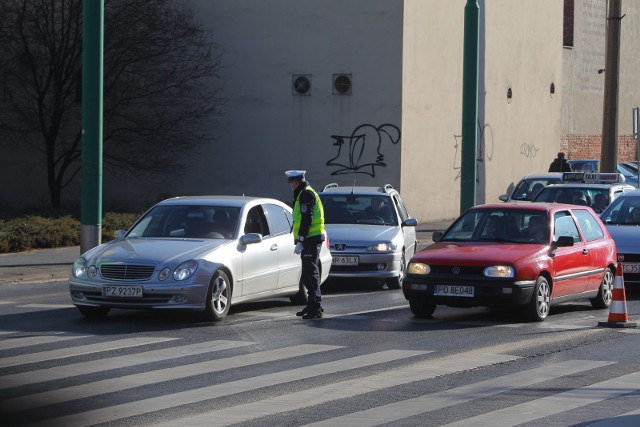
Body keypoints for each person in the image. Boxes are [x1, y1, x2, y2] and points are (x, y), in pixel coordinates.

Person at [286, 170, 326, 319]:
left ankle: (316, 307)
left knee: (310, 274)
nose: (290, 185)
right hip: (310, 239)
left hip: (311, 239)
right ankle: (312, 304)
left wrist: (301, 239)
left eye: (291, 182)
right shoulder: (304, 193)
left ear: (296, 182)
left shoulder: (305, 194)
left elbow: (307, 219)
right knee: (308, 274)